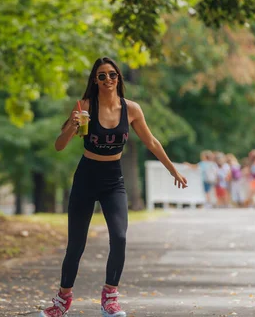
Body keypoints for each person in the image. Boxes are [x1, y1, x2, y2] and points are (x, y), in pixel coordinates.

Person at [41, 57, 188, 317]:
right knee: (76, 243)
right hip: (86, 177)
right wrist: (73, 124)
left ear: (118, 78)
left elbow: (151, 141)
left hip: (113, 180)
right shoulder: (85, 106)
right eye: (101, 76)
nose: (107, 79)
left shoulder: (131, 109)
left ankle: (110, 297)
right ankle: (62, 300)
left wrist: (172, 168)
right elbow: (59, 145)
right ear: (94, 81)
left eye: (112, 75)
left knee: (119, 237)